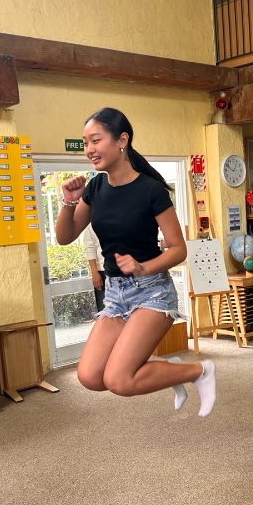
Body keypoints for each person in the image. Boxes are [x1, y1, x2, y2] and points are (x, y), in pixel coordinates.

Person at [55, 107, 216, 416]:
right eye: (85, 143)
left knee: (119, 380)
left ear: (122, 140)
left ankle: (200, 371)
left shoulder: (150, 190)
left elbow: (178, 249)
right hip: (116, 294)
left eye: (96, 141)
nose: (89, 149)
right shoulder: (95, 188)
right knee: (90, 377)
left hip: (152, 291)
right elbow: (66, 236)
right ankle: (168, 370)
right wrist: (69, 203)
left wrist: (144, 268)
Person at [81, 223, 105, 313]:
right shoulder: (92, 221)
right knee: (104, 312)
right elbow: (89, 246)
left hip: (125, 270)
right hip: (103, 271)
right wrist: (94, 272)